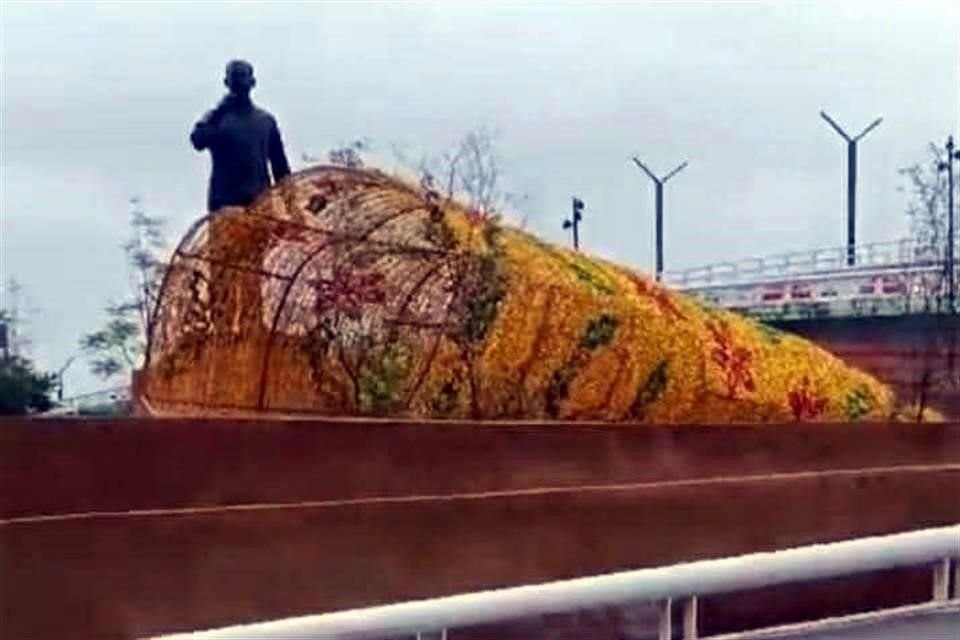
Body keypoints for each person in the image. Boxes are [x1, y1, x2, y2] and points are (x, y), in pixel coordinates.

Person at [191, 60, 291, 212]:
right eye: (234, 76)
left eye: (243, 76)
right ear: (226, 82)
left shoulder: (266, 121)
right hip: (225, 206)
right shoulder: (217, 119)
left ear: (253, 82)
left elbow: (280, 168)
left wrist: (290, 203)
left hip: (260, 205)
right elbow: (198, 140)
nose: (239, 81)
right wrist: (218, 111)